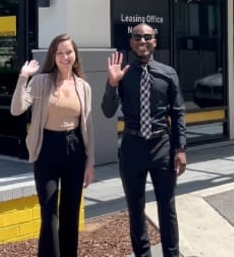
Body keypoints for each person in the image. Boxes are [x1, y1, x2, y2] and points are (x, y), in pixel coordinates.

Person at [101, 23, 187, 257]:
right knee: (135, 209)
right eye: (137, 37)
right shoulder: (122, 73)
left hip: (162, 147)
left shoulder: (168, 73)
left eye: (147, 37)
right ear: (131, 42)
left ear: (154, 41)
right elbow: (107, 111)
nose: (142, 41)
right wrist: (112, 84)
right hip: (132, 147)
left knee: (167, 207)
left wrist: (180, 148)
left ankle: (172, 253)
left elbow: (178, 112)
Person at [10, 33, 94, 257]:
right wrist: (23, 78)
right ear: (53, 56)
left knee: (70, 212)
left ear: (75, 55)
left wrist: (90, 162)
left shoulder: (83, 87)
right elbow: (16, 109)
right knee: (49, 213)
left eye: (69, 52)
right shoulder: (41, 82)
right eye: (59, 52)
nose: (65, 56)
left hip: (75, 150)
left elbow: (87, 127)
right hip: (47, 149)